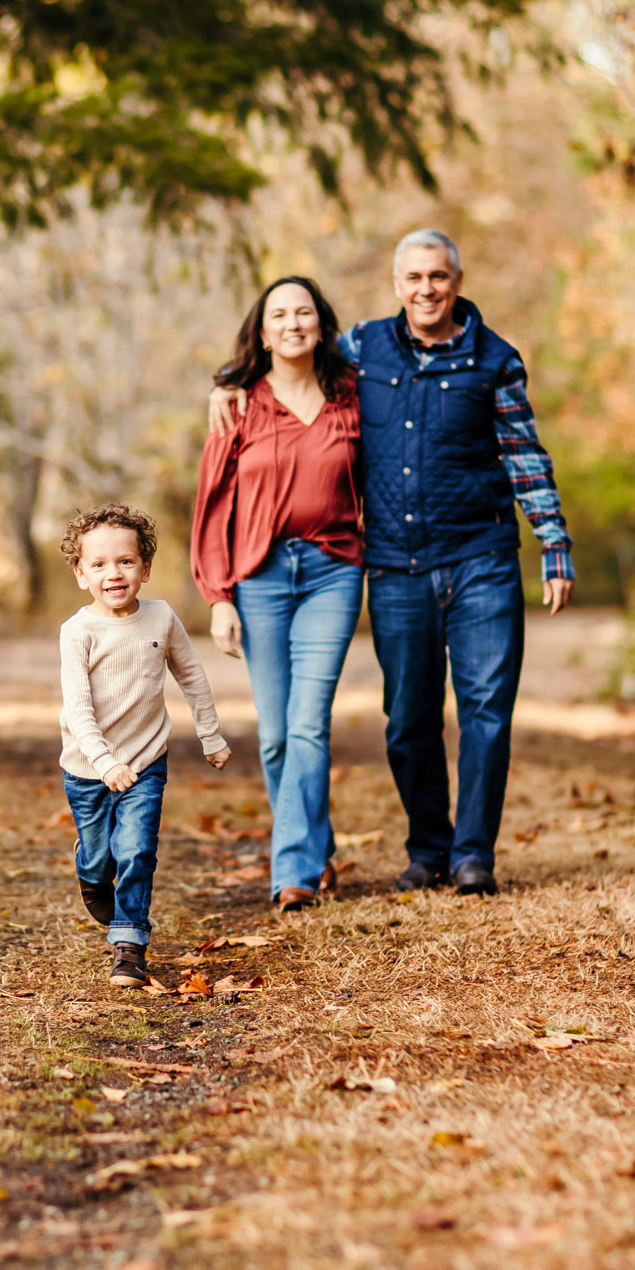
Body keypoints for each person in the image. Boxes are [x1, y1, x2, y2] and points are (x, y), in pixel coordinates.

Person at [208, 231, 573, 896]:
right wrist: (229, 387)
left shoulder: (495, 360)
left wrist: (554, 544)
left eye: (438, 276)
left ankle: (472, 856)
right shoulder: (362, 351)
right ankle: (427, 847)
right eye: (414, 277)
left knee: (486, 710)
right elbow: (291, 365)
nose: (426, 289)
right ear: (397, 283)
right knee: (407, 717)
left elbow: (524, 454)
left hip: (481, 558)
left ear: (457, 280)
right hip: (397, 565)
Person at [190, 276, 363, 910]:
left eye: (305, 312)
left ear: (322, 324)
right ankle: (316, 847)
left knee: (308, 725)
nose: (293, 323)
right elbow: (211, 507)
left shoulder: (353, 396)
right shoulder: (238, 407)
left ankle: (293, 870)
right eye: (280, 315)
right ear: (262, 332)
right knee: (275, 735)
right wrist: (219, 596)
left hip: (333, 570)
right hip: (259, 576)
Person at [59, 503, 230, 986]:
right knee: (101, 857)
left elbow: (192, 675)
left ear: (145, 568)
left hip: (147, 761)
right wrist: (105, 761)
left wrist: (210, 734)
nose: (113, 573)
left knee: (136, 849)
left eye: (125, 561)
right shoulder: (78, 633)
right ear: (80, 574)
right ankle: (89, 870)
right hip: (87, 768)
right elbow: (78, 708)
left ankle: (129, 945)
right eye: (99, 564)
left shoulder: (161, 618)